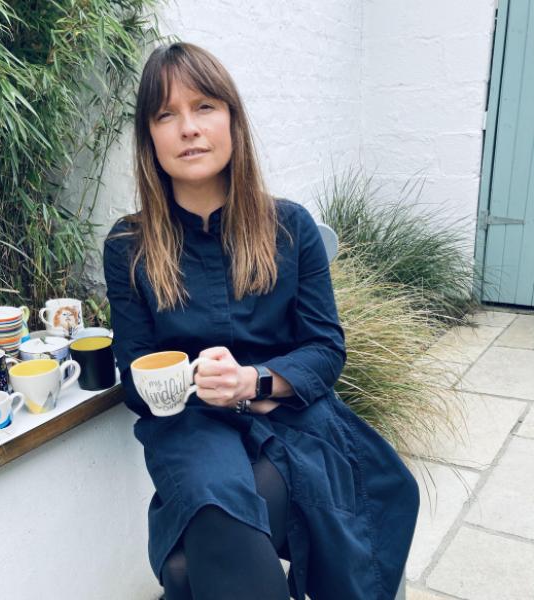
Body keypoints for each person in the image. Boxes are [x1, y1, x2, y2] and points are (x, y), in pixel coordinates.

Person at [103, 42, 419, 600]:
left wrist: (253, 383)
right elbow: (134, 378)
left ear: (232, 118)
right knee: (217, 510)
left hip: (293, 420)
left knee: (187, 568)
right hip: (188, 427)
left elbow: (326, 347)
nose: (188, 129)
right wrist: (201, 383)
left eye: (203, 107)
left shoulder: (289, 226)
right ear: (149, 136)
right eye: (166, 114)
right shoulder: (129, 245)